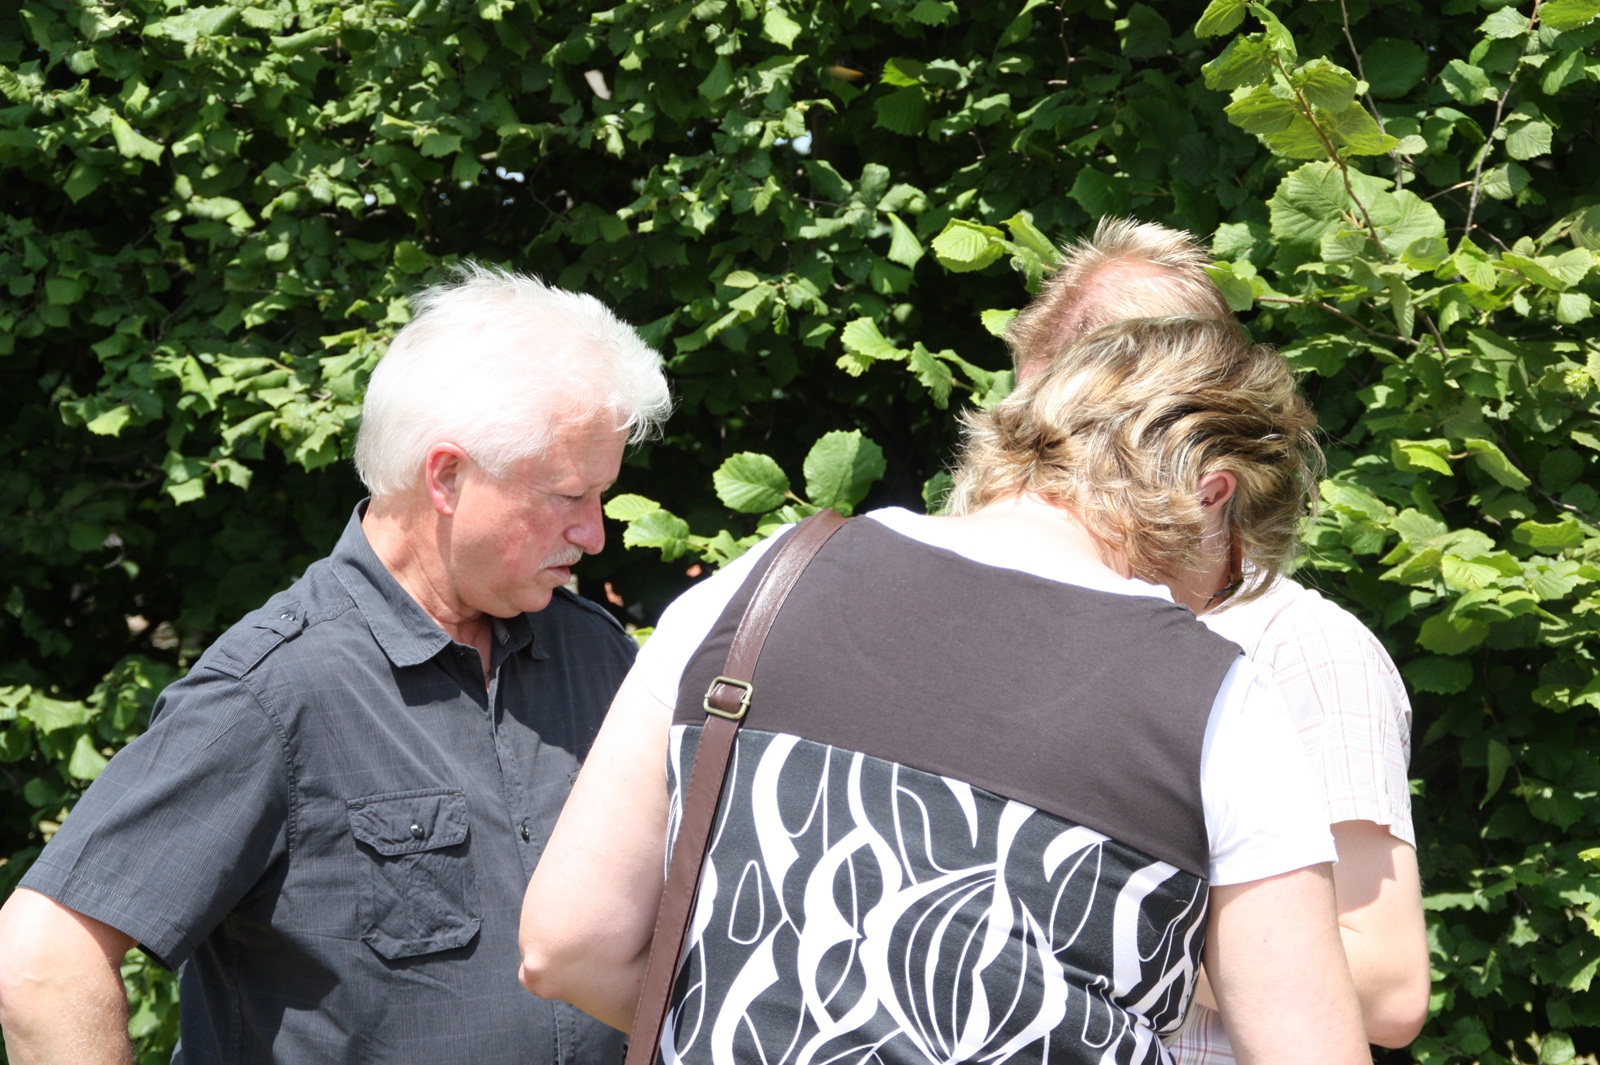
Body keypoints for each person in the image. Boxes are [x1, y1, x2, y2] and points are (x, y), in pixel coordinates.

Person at [518, 316, 1373, 1064]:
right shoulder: (1219, 701)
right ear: (1213, 495)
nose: (1210, 603)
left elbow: (567, 942)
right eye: (1235, 570)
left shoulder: (761, 581)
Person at [0, 264, 672, 1065]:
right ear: (448, 476)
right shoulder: (276, 689)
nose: (595, 533)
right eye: (567, 495)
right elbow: (43, 960)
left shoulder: (595, 654)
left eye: (601, 496)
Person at [1005, 218, 1429, 1055]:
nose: (1021, 480)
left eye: (1057, 444)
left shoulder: (1303, 647)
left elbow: (1386, 984)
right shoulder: (1019, 613)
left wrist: (1066, 891)